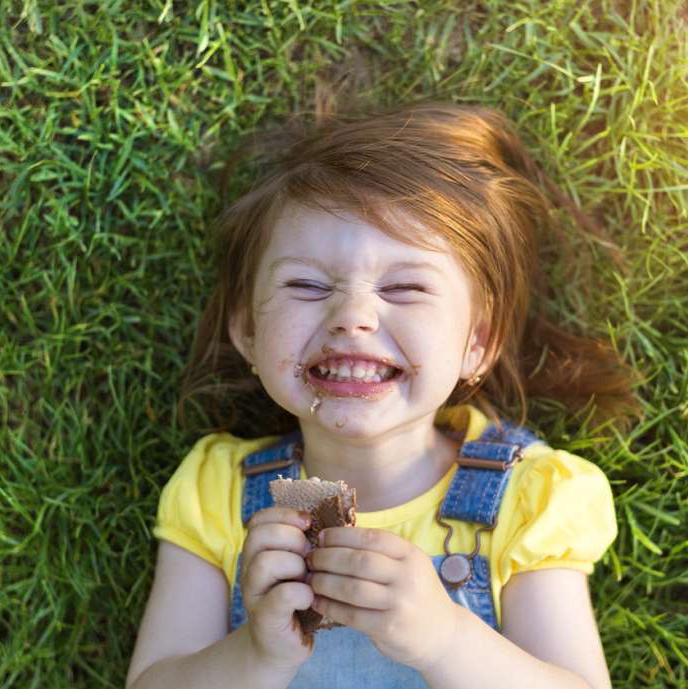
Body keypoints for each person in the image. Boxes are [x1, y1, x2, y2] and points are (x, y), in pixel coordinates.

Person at [126, 97, 644, 689]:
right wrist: (256, 654)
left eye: (404, 288)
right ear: (247, 330)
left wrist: (445, 640)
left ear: (478, 341)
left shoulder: (524, 499)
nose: (352, 316)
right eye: (307, 284)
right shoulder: (218, 493)